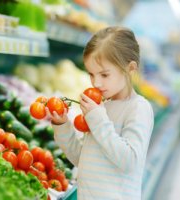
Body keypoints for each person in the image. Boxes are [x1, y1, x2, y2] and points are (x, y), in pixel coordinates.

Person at [46, 26, 154, 200]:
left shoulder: (138, 108)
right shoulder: (102, 107)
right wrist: (62, 125)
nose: (96, 82)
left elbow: (129, 161)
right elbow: (83, 159)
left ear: (130, 68)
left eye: (104, 74)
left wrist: (98, 119)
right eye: (91, 74)